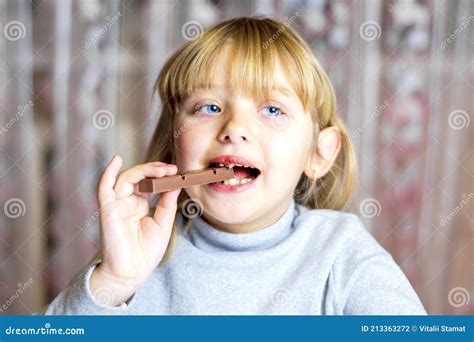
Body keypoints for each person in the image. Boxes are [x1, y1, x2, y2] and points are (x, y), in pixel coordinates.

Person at [43, 17, 426, 315]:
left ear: (319, 154)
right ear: (175, 145)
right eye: (208, 107)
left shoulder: (341, 252)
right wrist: (115, 280)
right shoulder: (142, 253)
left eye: (272, 110)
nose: (234, 129)